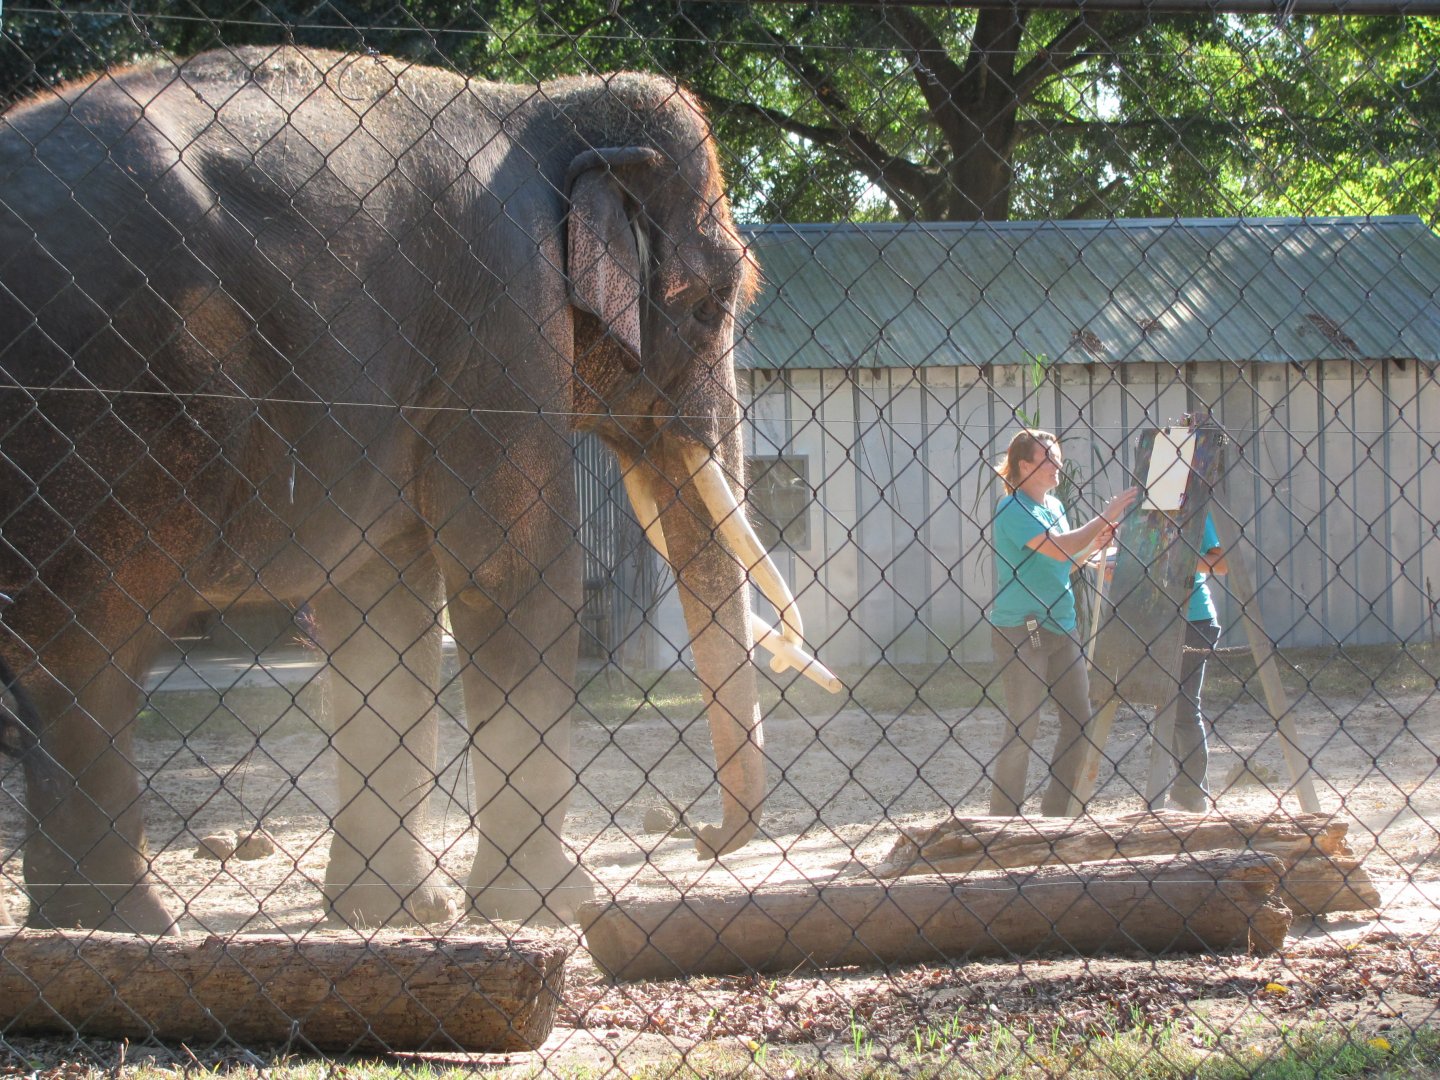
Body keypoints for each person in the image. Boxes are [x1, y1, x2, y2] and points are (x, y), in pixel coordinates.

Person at [987, 429, 1139, 817]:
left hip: (1061, 624)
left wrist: (1097, 545)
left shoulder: (1052, 505)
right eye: (1049, 458)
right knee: (1025, 725)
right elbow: (1058, 548)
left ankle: (1056, 815)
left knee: (1079, 721)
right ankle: (1003, 820)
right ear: (1025, 465)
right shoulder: (1012, 509)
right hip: (1022, 628)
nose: (1058, 466)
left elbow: (1068, 560)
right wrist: (1104, 518)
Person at [1168, 513, 1227, 812]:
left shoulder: (1198, 511)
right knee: (1171, 709)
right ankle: (1188, 789)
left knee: (1184, 709)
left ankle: (1190, 795)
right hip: (1159, 619)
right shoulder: (1145, 510)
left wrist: (1182, 553)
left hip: (1195, 620)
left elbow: (1222, 562)